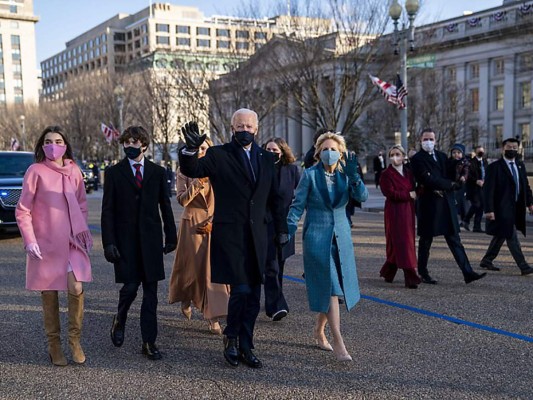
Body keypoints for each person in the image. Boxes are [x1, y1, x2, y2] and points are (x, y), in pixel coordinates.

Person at [178, 109, 288, 369]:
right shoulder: (218, 155)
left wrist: (281, 228)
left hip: (258, 236)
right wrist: (189, 151)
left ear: (257, 129)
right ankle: (231, 338)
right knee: (240, 290)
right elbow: (193, 168)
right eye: (240, 125)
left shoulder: (266, 159)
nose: (244, 129)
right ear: (231, 127)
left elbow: (275, 199)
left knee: (254, 294)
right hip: (231, 235)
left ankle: (247, 344)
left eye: (249, 125)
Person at [287, 132, 368, 362]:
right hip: (316, 238)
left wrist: (355, 177)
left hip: (341, 238)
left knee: (330, 288)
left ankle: (318, 330)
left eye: (333, 149)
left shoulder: (345, 174)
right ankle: (339, 341)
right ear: (318, 152)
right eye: (325, 149)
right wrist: (289, 228)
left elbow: (361, 195)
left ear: (340, 153)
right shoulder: (310, 175)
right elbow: (297, 205)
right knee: (332, 289)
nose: (329, 153)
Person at [16, 125, 93, 366]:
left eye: (58, 140)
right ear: (42, 146)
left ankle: (74, 340)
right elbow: (23, 209)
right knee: (49, 292)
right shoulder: (35, 171)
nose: (53, 145)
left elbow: (81, 204)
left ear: (65, 144)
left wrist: (80, 231)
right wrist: (30, 240)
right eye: (48, 141)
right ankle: (54, 345)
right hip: (46, 243)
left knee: (77, 287)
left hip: (72, 243)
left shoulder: (74, 171)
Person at [101, 125, 177, 361]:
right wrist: (108, 242)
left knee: (151, 293)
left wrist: (171, 236)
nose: (130, 147)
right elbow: (107, 211)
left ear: (144, 145)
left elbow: (165, 206)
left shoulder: (157, 172)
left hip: (151, 240)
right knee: (131, 287)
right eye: (127, 143)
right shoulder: (114, 173)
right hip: (125, 242)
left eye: (135, 143)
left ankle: (149, 341)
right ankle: (120, 318)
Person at [169, 137, 229, 334]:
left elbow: (228, 199)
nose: (201, 152)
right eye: (198, 148)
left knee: (213, 274)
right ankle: (186, 298)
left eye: (205, 148)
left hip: (214, 225)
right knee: (192, 271)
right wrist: (196, 182)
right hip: (192, 227)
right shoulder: (183, 172)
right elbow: (182, 200)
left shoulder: (218, 170)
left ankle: (213, 318)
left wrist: (216, 222)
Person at [410, 128, 486, 284]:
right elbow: (426, 179)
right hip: (429, 205)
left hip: (446, 204)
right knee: (426, 241)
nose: (428, 142)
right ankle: (423, 272)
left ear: (435, 140)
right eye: (426, 139)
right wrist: (450, 184)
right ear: (420, 140)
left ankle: (468, 272)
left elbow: (452, 170)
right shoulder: (417, 159)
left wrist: (462, 163)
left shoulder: (442, 156)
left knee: (454, 239)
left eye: (431, 139)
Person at [480, 138, 533, 275]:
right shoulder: (494, 167)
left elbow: (525, 187)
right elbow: (488, 190)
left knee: (500, 235)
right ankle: (523, 266)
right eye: (510, 147)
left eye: (515, 147)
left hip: (516, 208)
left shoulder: (520, 166)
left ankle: (487, 259)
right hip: (501, 208)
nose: (513, 150)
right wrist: (489, 210)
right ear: (503, 149)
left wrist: (530, 203)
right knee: (510, 235)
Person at [262, 137, 300, 321]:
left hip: (285, 224)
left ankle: (275, 297)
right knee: (271, 267)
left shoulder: (292, 170)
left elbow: (299, 195)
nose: (271, 152)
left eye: (275, 150)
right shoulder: (261, 169)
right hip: (266, 223)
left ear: (283, 151)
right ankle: (275, 305)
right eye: (268, 149)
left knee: (281, 264)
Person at [379, 145, 421, 289]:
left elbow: (415, 188)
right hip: (394, 211)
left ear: (403, 157)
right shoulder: (386, 174)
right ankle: (411, 276)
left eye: (397, 154)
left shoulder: (409, 173)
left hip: (408, 210)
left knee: (404, 241)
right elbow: (389, 193)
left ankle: (388, 271)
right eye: (392, 154)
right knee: (402, 241)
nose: (395, 157)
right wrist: (408, 195)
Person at [463, 145, 488, 233]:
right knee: (476, 205)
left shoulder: (485, 161)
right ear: (476, 152)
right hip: (473, 187)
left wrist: (485, 181)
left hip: (482, 187)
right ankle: (466, 220)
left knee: (480, 207)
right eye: (479, 151)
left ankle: (476, 226)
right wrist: (476, 181)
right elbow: (468, 175)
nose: (481, 153)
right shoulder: (471, 162)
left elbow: (486, 172)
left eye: (482, 151)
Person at [447, 143, 469, 228]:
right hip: (450, 185)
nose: (456, 154)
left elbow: (466, 171)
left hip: (460, 186)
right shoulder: (449, 162)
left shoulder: (464, 162)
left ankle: (463, 220)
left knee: (461, 204)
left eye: (458, 152)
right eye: (454, 152)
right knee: (452, 204)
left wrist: (464, 177)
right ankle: (453, 221)